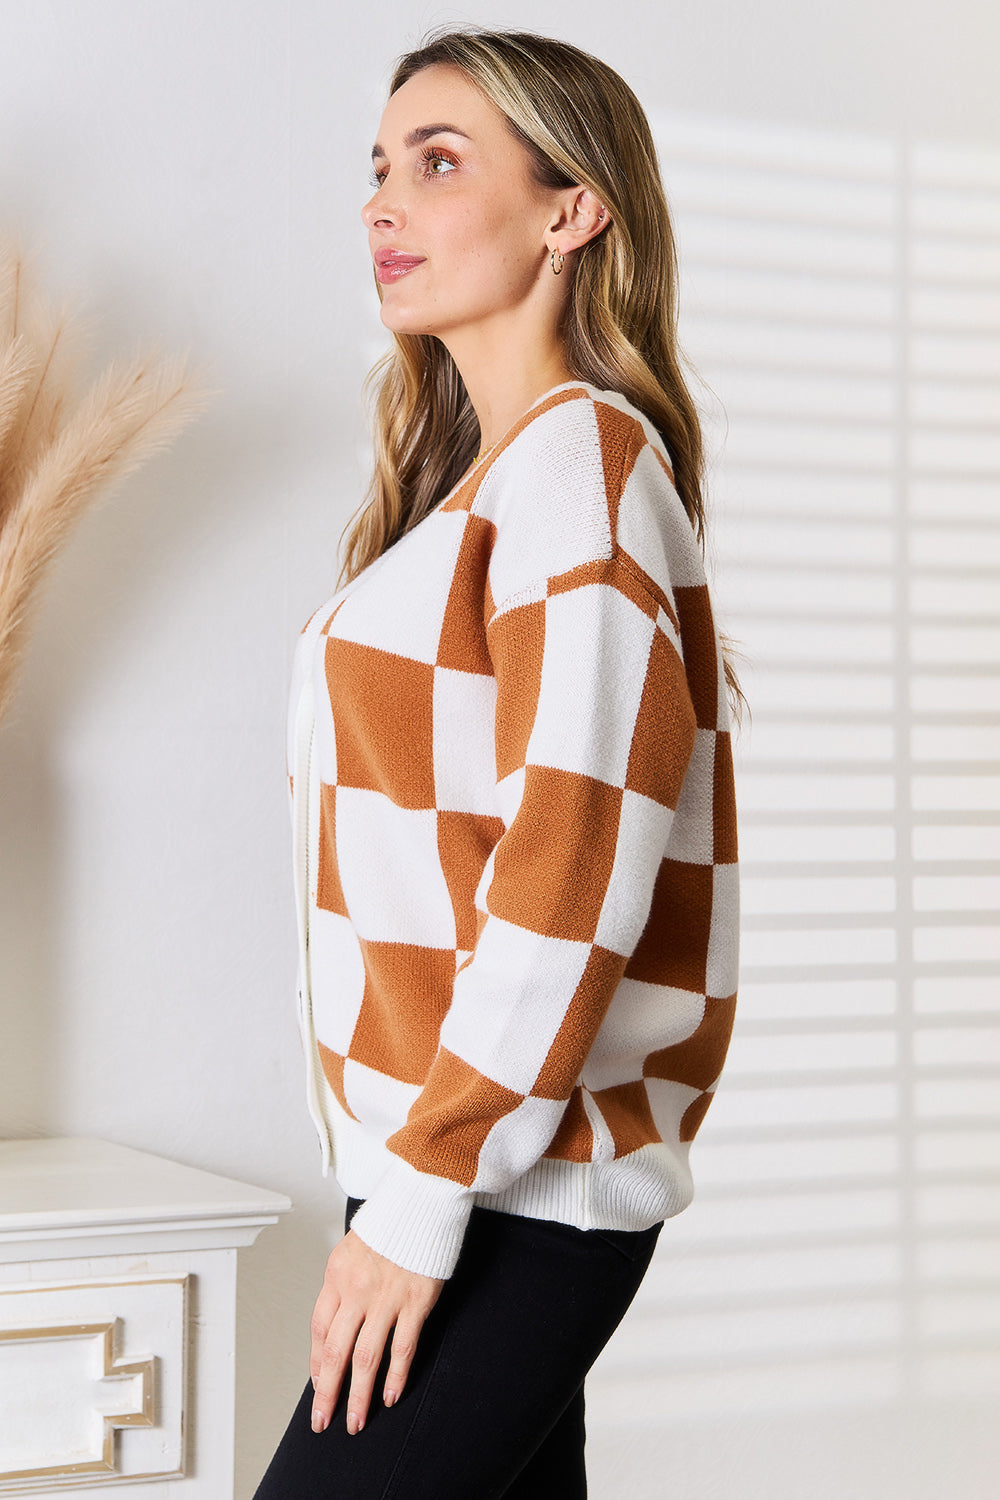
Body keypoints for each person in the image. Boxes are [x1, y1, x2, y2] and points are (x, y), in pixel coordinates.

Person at [254, 26, 739, 1499]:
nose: (383, 204)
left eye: (440, 161)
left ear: (570, 209)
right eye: (381, 168)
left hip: (507, 1179)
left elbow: (569, 862)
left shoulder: (583, 466)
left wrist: (418, 1201)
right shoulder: (483, 488)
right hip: (454, 1162)